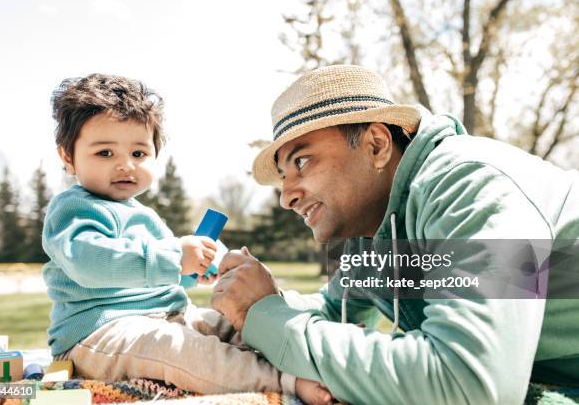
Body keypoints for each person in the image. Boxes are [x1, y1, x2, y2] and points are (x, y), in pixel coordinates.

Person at [211, 65, 579, 404]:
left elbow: (470, 384)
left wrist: (265, 316)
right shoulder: (373, 230)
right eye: (282, 175)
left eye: (301, 162)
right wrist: (257, 300)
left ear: (376, 144)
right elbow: (333, 309)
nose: (286, 196)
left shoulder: (468, 187)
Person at [42, 73, 327, 403]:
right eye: (105, 153)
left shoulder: (144, 216)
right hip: (98, 332)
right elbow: (89, 263)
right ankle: (282, 380)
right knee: (183, 350)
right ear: (67, 157)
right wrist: (174, 256)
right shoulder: (74, 208)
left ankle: (317, 352)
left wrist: (199, 268)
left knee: (232, 324)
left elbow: (168, 280)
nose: (125, 166)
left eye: (138, 154)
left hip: (169, 314)